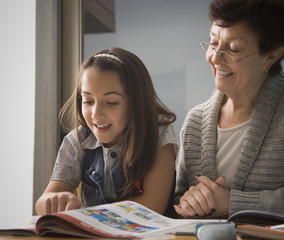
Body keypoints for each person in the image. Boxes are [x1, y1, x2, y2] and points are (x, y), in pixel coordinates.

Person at [174, 0, 284, 219]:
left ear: (270, 56)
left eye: (233, 48)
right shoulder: (194, 121)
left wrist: (233, 203)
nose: (215, 57)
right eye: (213, 42)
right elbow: (177, 203)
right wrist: (190, 202)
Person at [36, 48, 178, 216]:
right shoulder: (77, 141)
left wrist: (86, 213)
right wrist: (56, 200)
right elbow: (43, 203)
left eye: (111, 102)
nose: (96, 114)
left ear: (136, 103)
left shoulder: (159, 137)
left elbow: (153, 206)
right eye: (88, 101)